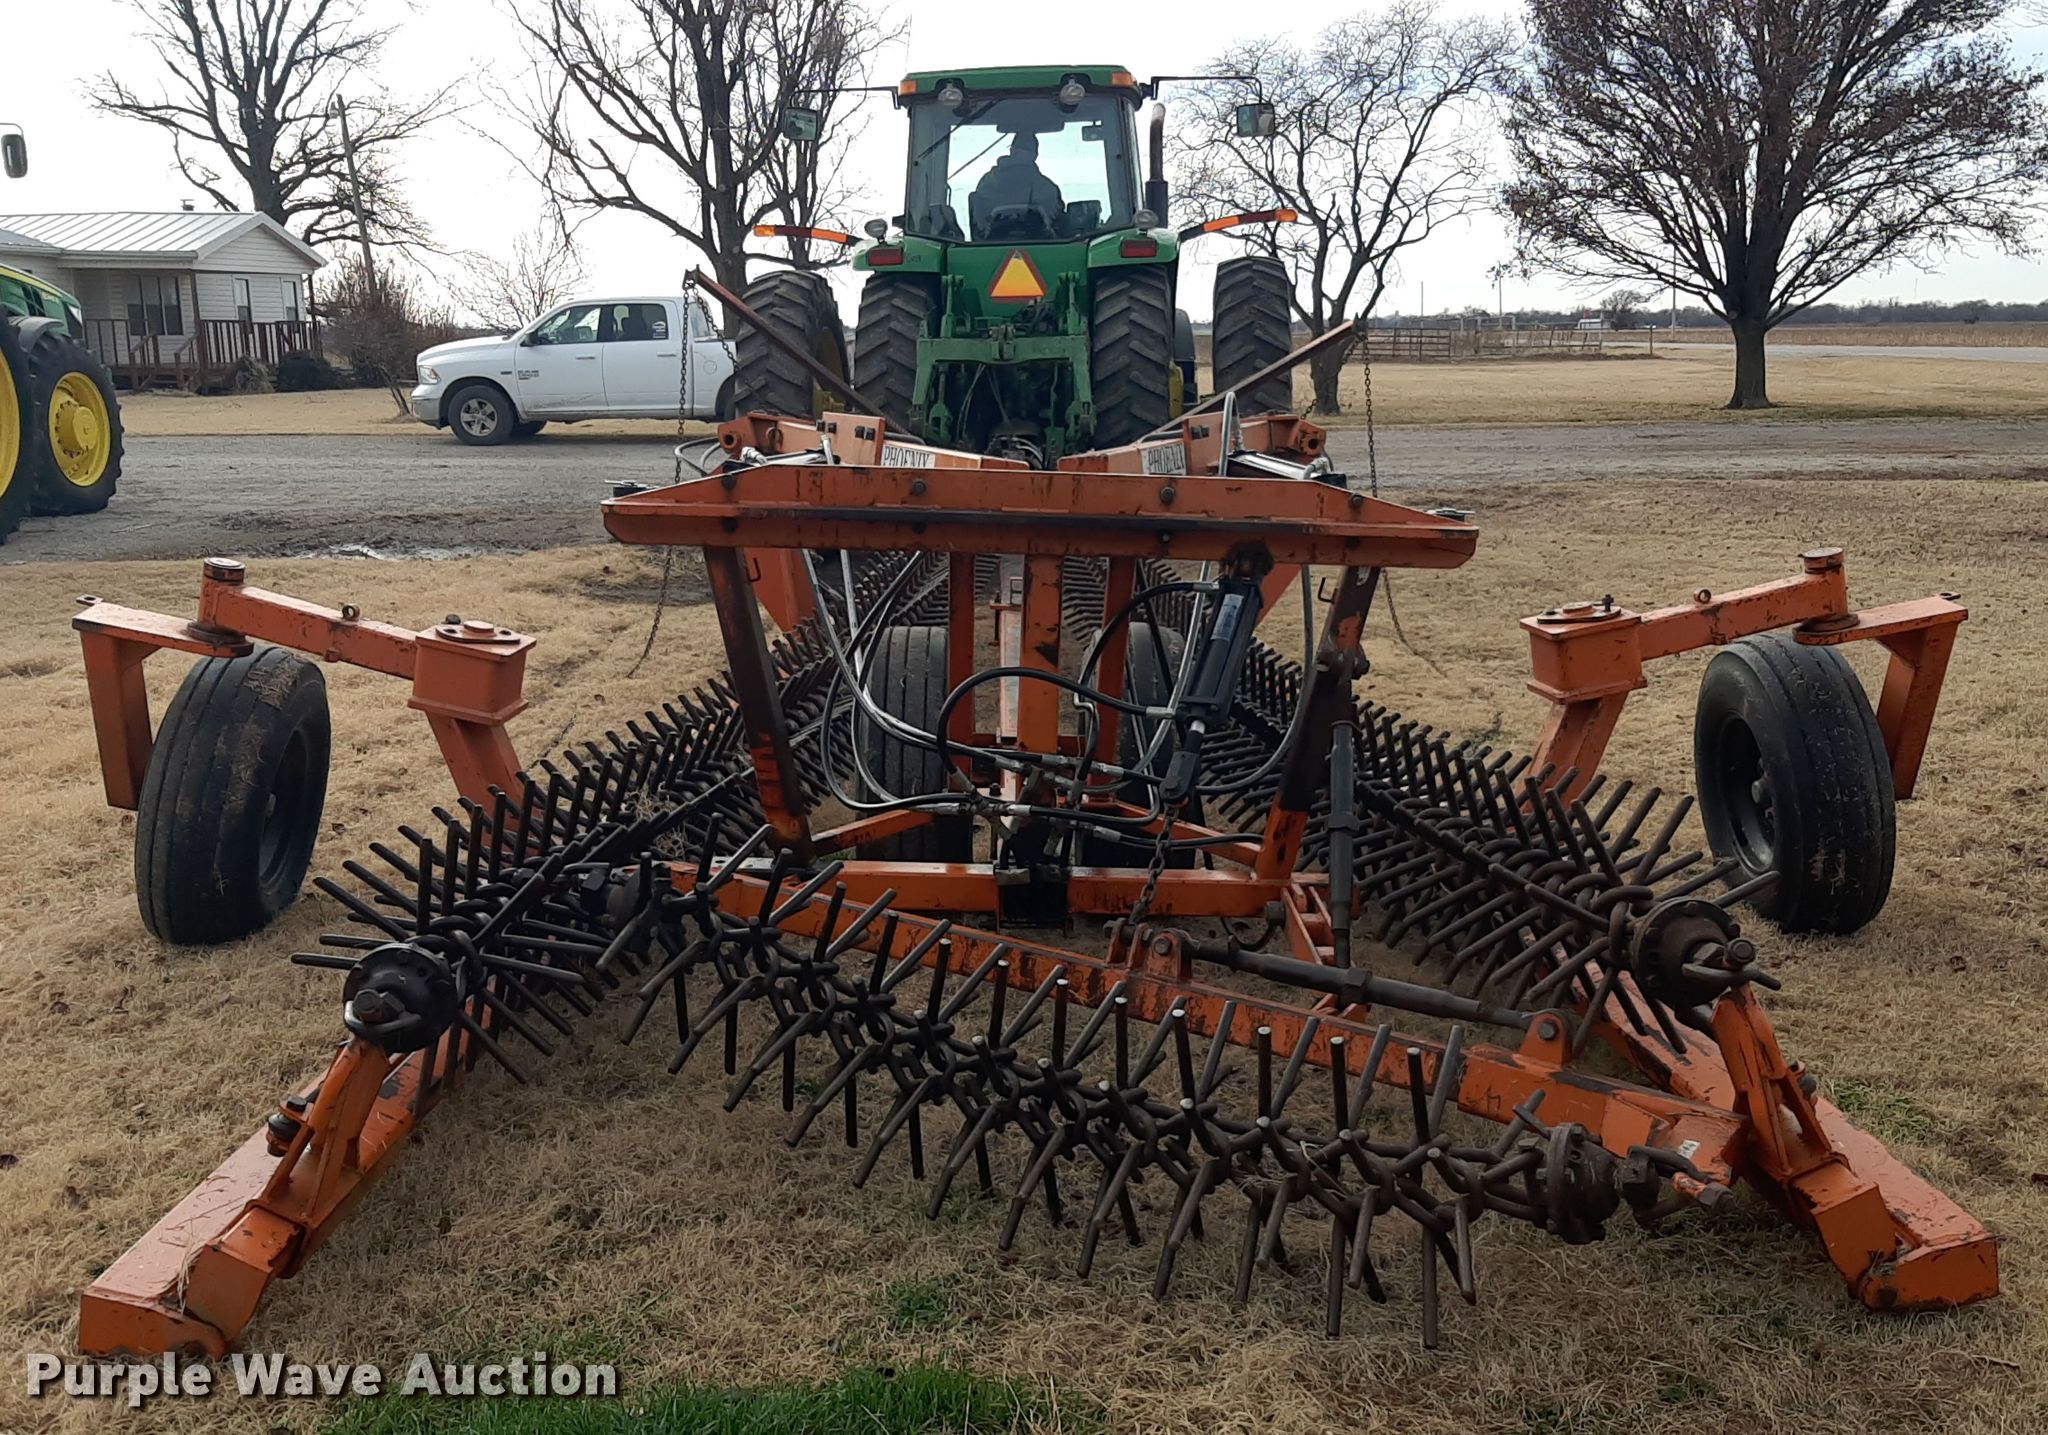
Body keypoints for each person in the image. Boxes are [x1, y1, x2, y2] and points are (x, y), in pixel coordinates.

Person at [972, 133, 1064, 237]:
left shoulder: (986, 183)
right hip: (1046, 249)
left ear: (1012, 150)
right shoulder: (1048, 188)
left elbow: (978, 223)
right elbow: (1058, 226)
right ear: (1035, 155)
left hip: (986, 248)